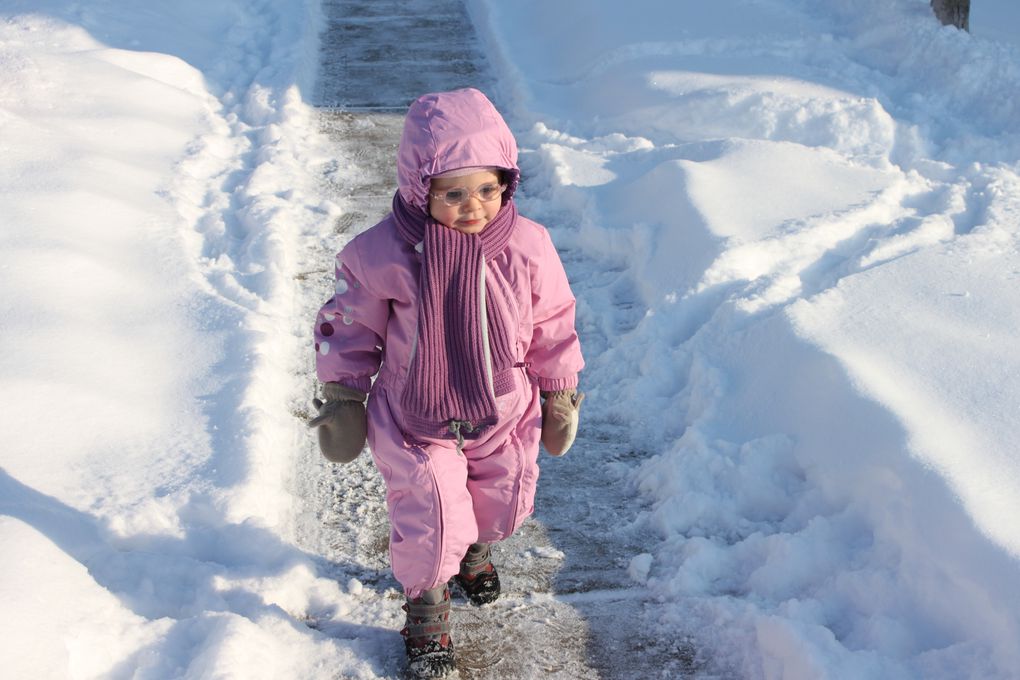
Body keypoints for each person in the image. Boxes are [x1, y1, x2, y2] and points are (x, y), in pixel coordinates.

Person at [309, 88, 584, 678]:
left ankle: (475, 548)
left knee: (505, 503)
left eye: (488, 189)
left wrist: (558, 389)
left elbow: (553, 319)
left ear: (507, 182)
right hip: (416, 415)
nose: (474, 207)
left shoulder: (527, 245)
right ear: (419, 188)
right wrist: (344, 395)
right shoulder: (381, 253)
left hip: (504, 410)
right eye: (453, 194)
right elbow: (349, 325)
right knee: (433, 517)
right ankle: (427, 609)